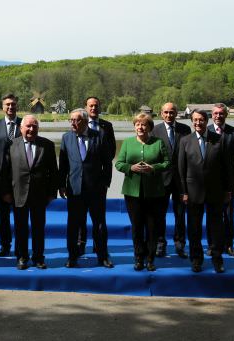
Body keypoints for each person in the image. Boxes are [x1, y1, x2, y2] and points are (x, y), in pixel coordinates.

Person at [1, 115, 58, 270]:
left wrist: (52, 193)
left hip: (40, 195)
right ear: (21, 128)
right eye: (28, 126)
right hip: (18, 193)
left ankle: (39, 258)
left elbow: (54, 172)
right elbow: (5, 171)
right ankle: (22, 257)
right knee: (20, 228)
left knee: (39, 228)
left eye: (34, 126)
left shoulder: (47, 145)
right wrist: (5, 192)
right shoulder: (11, 144)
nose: (31, 129)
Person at [178, 109, 231, 273]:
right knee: (194, 229)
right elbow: (181, 169)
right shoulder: (185, 141)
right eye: (195, 120)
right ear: (191, 121)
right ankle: (196, 260)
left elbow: (227, 167)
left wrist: (228, 190)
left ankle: (217, 260)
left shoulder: (219, 140)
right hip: (193, 192)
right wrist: (183, 192)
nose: (198, 123)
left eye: (201, 120)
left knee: (216, 228)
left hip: (215, 192)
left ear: (206, 121)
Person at [59, 108, 114, 268]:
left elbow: (107, 163)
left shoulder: (100, 136)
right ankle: (73, 256)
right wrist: (61, 184)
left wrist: (105, 183)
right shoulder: (66, 138)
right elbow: (63, 165)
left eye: (76, 120)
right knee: (73, 225)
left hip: (96, 189)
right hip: (74, 189)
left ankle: (103, 256)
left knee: (99, 224)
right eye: (71, 120)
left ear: (84, 121)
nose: (73, 123)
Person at [114, 113, 170, 271]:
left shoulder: (158, 143)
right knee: (137, 226)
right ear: (134, 127)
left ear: (150, 127)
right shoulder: (127, 143)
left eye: (144, 124)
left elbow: (167, 163)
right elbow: (118, 164)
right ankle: (139, 257)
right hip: (132, 192)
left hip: (154, 192)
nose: (140, 127)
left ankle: (151, 258)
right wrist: (130, 168)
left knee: (152, 227)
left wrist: (154, 168)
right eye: (137, 124)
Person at [151, 102, 192, 258]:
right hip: (161, 179)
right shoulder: (155, 130)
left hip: (181, 180)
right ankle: (160, 244)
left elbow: (189, 154)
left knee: (180, 214)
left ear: (176, 113)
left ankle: (180, 244)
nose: (169, 115)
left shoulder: (185, 129)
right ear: (161, 114)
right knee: (159, 214)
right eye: (166, 112)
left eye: (172, 112)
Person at [77, 97, 116, 255]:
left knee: (99, 217)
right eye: (91, 106)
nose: (93, 108)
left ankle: (98, 246)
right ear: (86, 107)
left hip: (98, 181)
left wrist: (106, 180)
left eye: (96, 106)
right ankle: (80, 244)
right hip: (79, 181)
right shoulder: (78, 124)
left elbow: (111, 153)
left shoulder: (107, 126)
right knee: (80, 217)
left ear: (100, 107)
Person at [209, 103, 234, 257]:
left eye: (221, 113)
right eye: (216, 113)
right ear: (212, 115)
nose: (218, 116)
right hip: (210, 180)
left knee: (229, 214)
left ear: (226, 115)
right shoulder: (206, 130)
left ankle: (229, 245)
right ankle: (212, 245)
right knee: (212, 214)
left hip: (229, 180)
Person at [0, 93, 21, 257]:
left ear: (17, 105)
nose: (10, 107)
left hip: (21, 180)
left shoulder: (25, 124)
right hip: (0, 179)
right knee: (3, 216)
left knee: (20, 216)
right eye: (7, 104)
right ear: (3, 107)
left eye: (13, 104)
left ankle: (20, 246)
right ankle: (5, 245)